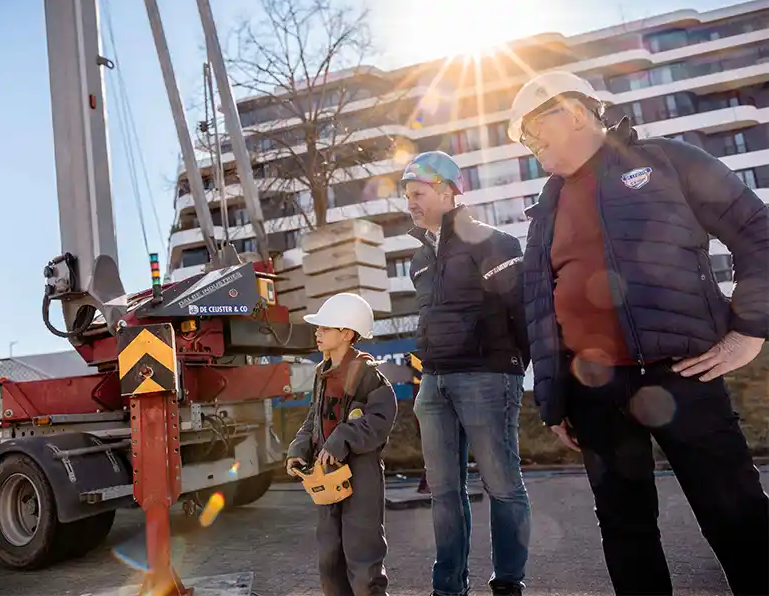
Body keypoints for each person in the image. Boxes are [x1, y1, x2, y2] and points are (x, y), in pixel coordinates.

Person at [509, 70, 769, 596]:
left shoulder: (667, 162)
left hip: (683, 376)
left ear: (576, 112)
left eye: (535, 130)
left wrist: (750, 329)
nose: (530, 146)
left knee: (736, 515)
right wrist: (555, 398)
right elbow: (540, 308)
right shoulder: (544, 211)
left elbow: (756, 233)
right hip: (595, 392)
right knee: (626, 535)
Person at [401, 151, 532, 596]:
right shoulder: (418, 260)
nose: (410, 204)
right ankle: (449, 587)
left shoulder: (493, 243)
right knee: (443, 492)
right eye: (407, 196)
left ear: (446, 192)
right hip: (434, 383)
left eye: (417, 194)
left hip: (487, 377)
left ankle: (509, 583)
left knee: (502, 485)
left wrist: (511, 367)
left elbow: (523, 313)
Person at [285, 292, 398, 596]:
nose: (317, 332)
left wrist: (343, 438)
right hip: (328, 478)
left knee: (363, 561)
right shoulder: (322, 374)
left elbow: (381, 418)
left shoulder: (369, 375)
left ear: (347, 333)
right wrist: (299, 446)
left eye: (325, 327)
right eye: (318, 327)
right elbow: (315, 416)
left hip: (361, 477)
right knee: (330, 560)